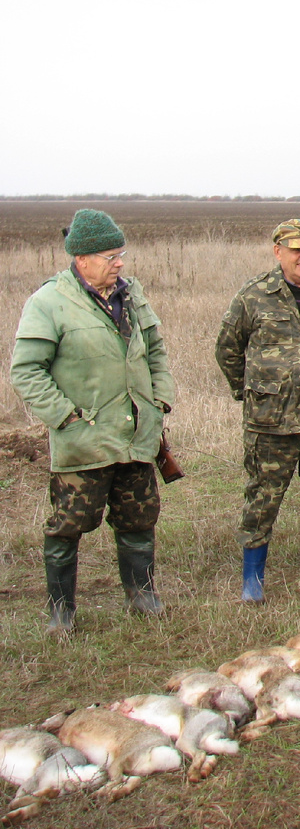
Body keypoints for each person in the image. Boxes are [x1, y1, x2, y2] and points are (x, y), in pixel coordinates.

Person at [10, 209, 176, 632]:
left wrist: (159, 401)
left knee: (139, 520)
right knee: (68, 527)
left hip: (136, 436)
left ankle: (142, 596)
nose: (119, 263)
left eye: (121, 254)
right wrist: (65, 417)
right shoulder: (49, 302)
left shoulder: (132, 296)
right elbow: (26, 371)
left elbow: (156, 352)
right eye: (110, 256)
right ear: (82, 259)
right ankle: (61, 611)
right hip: (83, 439)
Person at [216, 219, 300, 603]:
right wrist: (252, 393)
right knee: (262, 499)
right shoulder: (254, 295)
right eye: (297, 249)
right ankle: (253, 578)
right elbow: (227, 349)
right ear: (278, 252)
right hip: (271, 423)